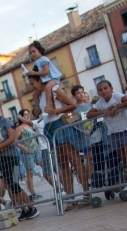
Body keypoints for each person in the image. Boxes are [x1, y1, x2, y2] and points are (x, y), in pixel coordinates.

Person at [28, 73, 89, 210]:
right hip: (49, 128)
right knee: (62, 164)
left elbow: (71, 104)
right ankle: (70, 197)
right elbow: (37, 113)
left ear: (40, 80)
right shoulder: (40, 95)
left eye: (33, 84)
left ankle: (86, 193)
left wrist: (56, 110)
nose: (32, 87)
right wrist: (36, 101)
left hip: (60, 124)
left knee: (74, 159)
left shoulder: (54, 89)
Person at [88, 80, 127, 199]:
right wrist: (103, 112)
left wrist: (117, 107)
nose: (104, 91)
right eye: (100, 90)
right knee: (125, 160)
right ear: (98, 92)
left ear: (111, 88)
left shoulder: (117, 96)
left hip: (126, 128)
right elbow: (89, 114)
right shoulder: (100, 103)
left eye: (105, 88)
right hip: (113, 132)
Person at [0, 104, 39, 220]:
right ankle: (23, 209)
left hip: (12, 157)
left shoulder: (5, 122)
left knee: (15, 183)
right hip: (0, 160)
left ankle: (31, 207)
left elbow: (12, 138)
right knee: (11, 185)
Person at [27, 41, 62, 114]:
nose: (32, 54)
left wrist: (34, 73)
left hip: (53, 78)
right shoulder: (35, 62)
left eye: (34, 51)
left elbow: (46, 72)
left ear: (39, 50)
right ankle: (37, 106)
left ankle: (48, 105)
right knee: (35, 94)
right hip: (45, 80)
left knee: (48, 88)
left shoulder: (43, 59)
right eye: (30, 53)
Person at [15, 109, 42, 200]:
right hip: (27, 152)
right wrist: (23, 147)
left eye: (28, 114)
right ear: (21, 116)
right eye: (25, 115)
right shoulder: (20, 128)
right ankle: (32, 192)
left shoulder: (30, 125)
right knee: (29, 173)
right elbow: (15, 141)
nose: (27, 116)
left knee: (43, 166)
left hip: (36, 149)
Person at [71, 86, 94, 180]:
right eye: (78, 93)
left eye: (82, 92)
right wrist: (82, 131)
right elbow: (71, 124)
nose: (81, 94)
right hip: (84, 139)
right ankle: (90, 178)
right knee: (89, 158)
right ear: (74, 96)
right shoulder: (73, 110)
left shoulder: (89, 106)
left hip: (95, 135)